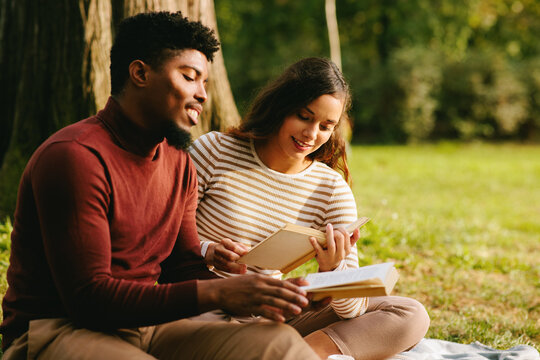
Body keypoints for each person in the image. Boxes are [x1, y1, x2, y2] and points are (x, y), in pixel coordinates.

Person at [0, 12, 322, 360]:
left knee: (277, 343)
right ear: (140, 73)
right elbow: (88, 299)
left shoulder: (178, 161)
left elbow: (182, 267)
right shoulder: (75, 157)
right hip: (55, 331)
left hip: (145, 325)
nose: (202, 95)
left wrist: (264, 294)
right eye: (189, 77)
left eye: (205, 84)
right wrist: (219, 295)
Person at [189, 57, 431, 360]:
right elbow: (161, 236)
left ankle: (304, 354)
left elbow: (352, 310)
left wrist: (332, 270)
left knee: (409, 313)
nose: (311, 134)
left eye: (326, 126)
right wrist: (207, 250)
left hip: (269, 315)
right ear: (281, 106)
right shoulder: (214, 151)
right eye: (304, 117)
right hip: (203, 309)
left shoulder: (331, 189)